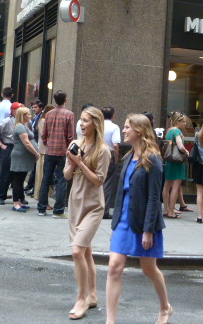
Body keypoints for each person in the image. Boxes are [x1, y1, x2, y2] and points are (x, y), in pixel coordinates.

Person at [106, 114, 172, 324]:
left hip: (144, 222)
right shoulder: (128, 157)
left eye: (127, 127)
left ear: (139, 131)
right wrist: (115, 223)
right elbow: (121, 193)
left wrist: (148, 230)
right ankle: (110, 320)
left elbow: (154, 197)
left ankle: (165, 307)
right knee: (114, 266)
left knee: (149, 268)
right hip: (123, 220)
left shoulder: (153, 158)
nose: (124, 130)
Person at [63, 106, 110, 320]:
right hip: (76, 202)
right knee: (86, 253)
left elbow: (99, 180)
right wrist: (71, 162)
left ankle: (81, 298)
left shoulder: (103, 150)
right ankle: (93, 296)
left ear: (95, 124)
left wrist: (80, 162)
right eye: (80, 120)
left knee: (76, 252)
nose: (81, 124)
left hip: (93, 205)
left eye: (86, 121)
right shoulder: (75, 144)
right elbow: (66, 176)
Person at [39, 90, 75, 218]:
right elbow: (70, 135)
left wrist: (47, 143)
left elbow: (44, 134)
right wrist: (70, 149)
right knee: (61, 180)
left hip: (50, 150)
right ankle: (58, 210)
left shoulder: (48, 114)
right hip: (62, 151)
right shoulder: (69, 114)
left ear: (55, 100)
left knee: (46, 179)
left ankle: (42, 208)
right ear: (66, 100)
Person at [0, 102, 23, 205]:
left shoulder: (23, 122)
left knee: (19, 173)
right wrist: (1, 145)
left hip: (20, 148)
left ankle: (19, 197)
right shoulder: (7, 121)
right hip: (9, 147)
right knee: (5, 173)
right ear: (14, 111)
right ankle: (0, 195)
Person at [10, 107, 40, 212]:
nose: (30, 116)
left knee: (21, 180)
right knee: (17, 180)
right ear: (23, 116)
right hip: (20, 157)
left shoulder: (23, 126)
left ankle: (20, 202)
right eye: (28, 114)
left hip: (23, 157)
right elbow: (26, 142)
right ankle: (16, 204)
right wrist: (36, 153)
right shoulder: (20, 127)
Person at [162, 111, 189, 219]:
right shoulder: (177, 131)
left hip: (169, 160)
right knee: (175, 186)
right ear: (177, 122)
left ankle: (166, 209)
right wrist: (186, 152)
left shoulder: (169, 131)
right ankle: (171, 211)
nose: (185, 124)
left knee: (167, 185)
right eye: (183, 122)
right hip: (177, 161)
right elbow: (180, 146)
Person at [102, 106, 121, 220]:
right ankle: (104, 210)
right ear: (113, 116)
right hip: (109, 154)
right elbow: (115, 144)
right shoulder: (114, 127)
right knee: (108, 183)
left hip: (97, 154)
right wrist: (116, 157)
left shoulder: (98, 125)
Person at [33, 104, 54, 200]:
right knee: (41, 175)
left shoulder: (43, 120)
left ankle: (41, 194)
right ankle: (40, 195)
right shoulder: (43, 121)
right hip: (43, 151)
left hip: (44, 150)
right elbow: (44, 136)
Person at [24, 100, 44, 195]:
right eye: (32, 107)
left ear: (41, 108)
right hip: (34, 144)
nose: (33, 109)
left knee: (36, 168)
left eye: (35, 107)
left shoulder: (41, 118)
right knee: (34, 167)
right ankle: (30, 186)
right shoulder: (35, 117)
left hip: (38, 144)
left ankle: (31, 186)